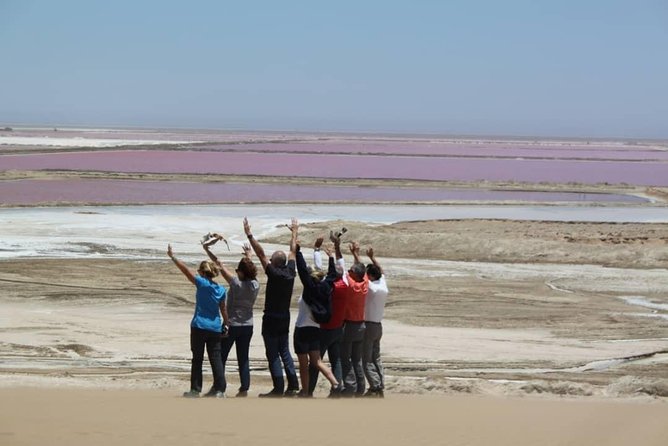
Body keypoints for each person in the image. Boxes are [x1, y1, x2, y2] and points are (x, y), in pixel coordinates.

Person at [244, 217, 300, 397]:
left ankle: (278, 387)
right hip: (284, 317)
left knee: (273, 353)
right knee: (285, 350)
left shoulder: (274, 273)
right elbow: (292, 251)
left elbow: (260, 254)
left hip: (271, 318)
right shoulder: (291, 272)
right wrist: (294, 232)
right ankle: (293, 385)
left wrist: (250, 235)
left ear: (273, 263)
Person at [168, 244, 229, 398]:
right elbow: (223, 309)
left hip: (199, 326)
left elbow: (185, 271)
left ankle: (195, 389)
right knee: (216, 359)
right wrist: (226, 323)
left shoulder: (201, 283)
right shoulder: (221, 289)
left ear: (202, 272)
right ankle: (220, 390)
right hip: (215, 327)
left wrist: (172, 256)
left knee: (197, 359)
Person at [204, 238, 260, 398]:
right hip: (248, 326)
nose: (236, 272)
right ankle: (244, 389)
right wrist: (249, 256)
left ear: (241, 272)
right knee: (243, 357)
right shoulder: (256, 285)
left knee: (221, 356)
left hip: (232, 324)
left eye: (238, 270)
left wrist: (207, 250)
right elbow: (249, 270)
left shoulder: (236, 283)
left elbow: (219, 264)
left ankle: (218, 387)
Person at [293, 240, 340, 397]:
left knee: (303, 364)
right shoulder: (326, 287)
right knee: (317, 361)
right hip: (315, 330)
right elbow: (332, 275)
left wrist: (298, 251)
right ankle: (335, 382)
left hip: (301, 330)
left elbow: (301, 271)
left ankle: (305, 391)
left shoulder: (310, 288)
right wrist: (331, 257)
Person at [308, 236, 346, 397]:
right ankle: (337, 388)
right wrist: (335, 250)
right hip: (338, 327)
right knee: (335, 359)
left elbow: (318, 269)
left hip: (324, 328)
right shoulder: (345, 284)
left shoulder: (327, 287)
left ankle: (308, 389)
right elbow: (340, 267)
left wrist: (317, 250)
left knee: (316, 361)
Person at [339, 241, 369, 397]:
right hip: (361, 325)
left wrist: (338, 250)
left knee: (345, 357)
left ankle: (350, 386)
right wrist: (355, 253)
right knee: (357, 358)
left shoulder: (351, 285)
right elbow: (362, 270)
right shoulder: (364, 284)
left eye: (351, 271)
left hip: (350, 325)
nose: (349, 272)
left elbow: (344, 269)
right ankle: (360, 387)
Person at [362, 247, 388, 397]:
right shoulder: (382, 286)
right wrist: (372, 258)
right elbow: (381, 271)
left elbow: (365, 277)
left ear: (370, 276)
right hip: (378, 326)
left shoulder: (373, 288)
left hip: (369, 325)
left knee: (366, 358)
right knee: (375, 356)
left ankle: (375, 386)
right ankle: (380, 383)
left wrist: (355, 255)